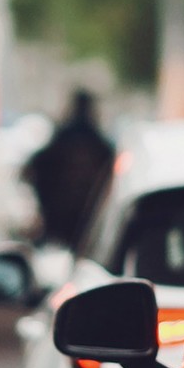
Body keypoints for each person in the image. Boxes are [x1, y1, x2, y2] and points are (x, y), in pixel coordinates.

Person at [22, 89, 115, 251]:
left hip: (61, 220)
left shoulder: (64, 136)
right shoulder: (99, 143)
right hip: (87, 219)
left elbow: (35, 167)